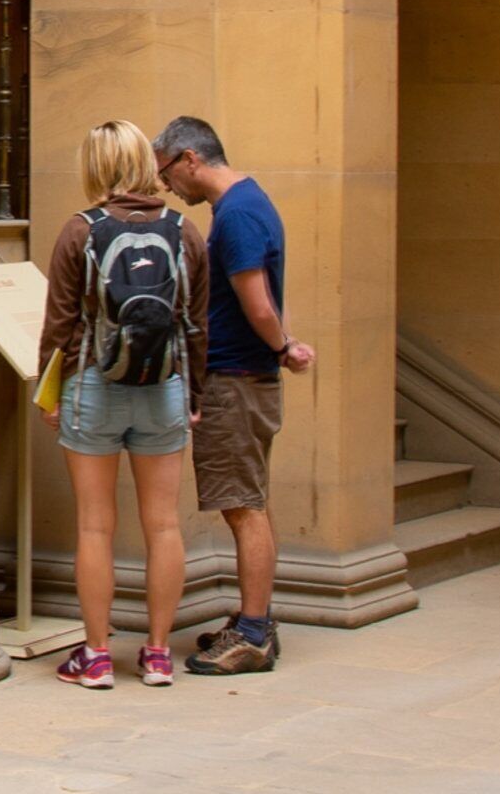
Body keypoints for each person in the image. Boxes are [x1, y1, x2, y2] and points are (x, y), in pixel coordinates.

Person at [35, 117, 209, 689]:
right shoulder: (185, 232)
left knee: (94, 527)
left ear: (96, 167)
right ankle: (158, 654)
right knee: (163, 525)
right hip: (164, 387)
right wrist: (196, 395)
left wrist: (49, 390)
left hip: (93, 386)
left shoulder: (79, 231)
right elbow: (196, 325)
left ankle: (97, 654)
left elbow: (59, 325)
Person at [153, 115, 313, 675]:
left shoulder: (238, 214)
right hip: (248, 377)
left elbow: (259, 304)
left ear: (190, 159)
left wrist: (283, 345)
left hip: (234, 380)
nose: (168, 186)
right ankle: (254, 621)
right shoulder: (250, 202)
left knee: (243, 507)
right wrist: (283, 346)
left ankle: (252, 633)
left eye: (167, 173)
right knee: (251, 502)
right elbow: (272, 293)